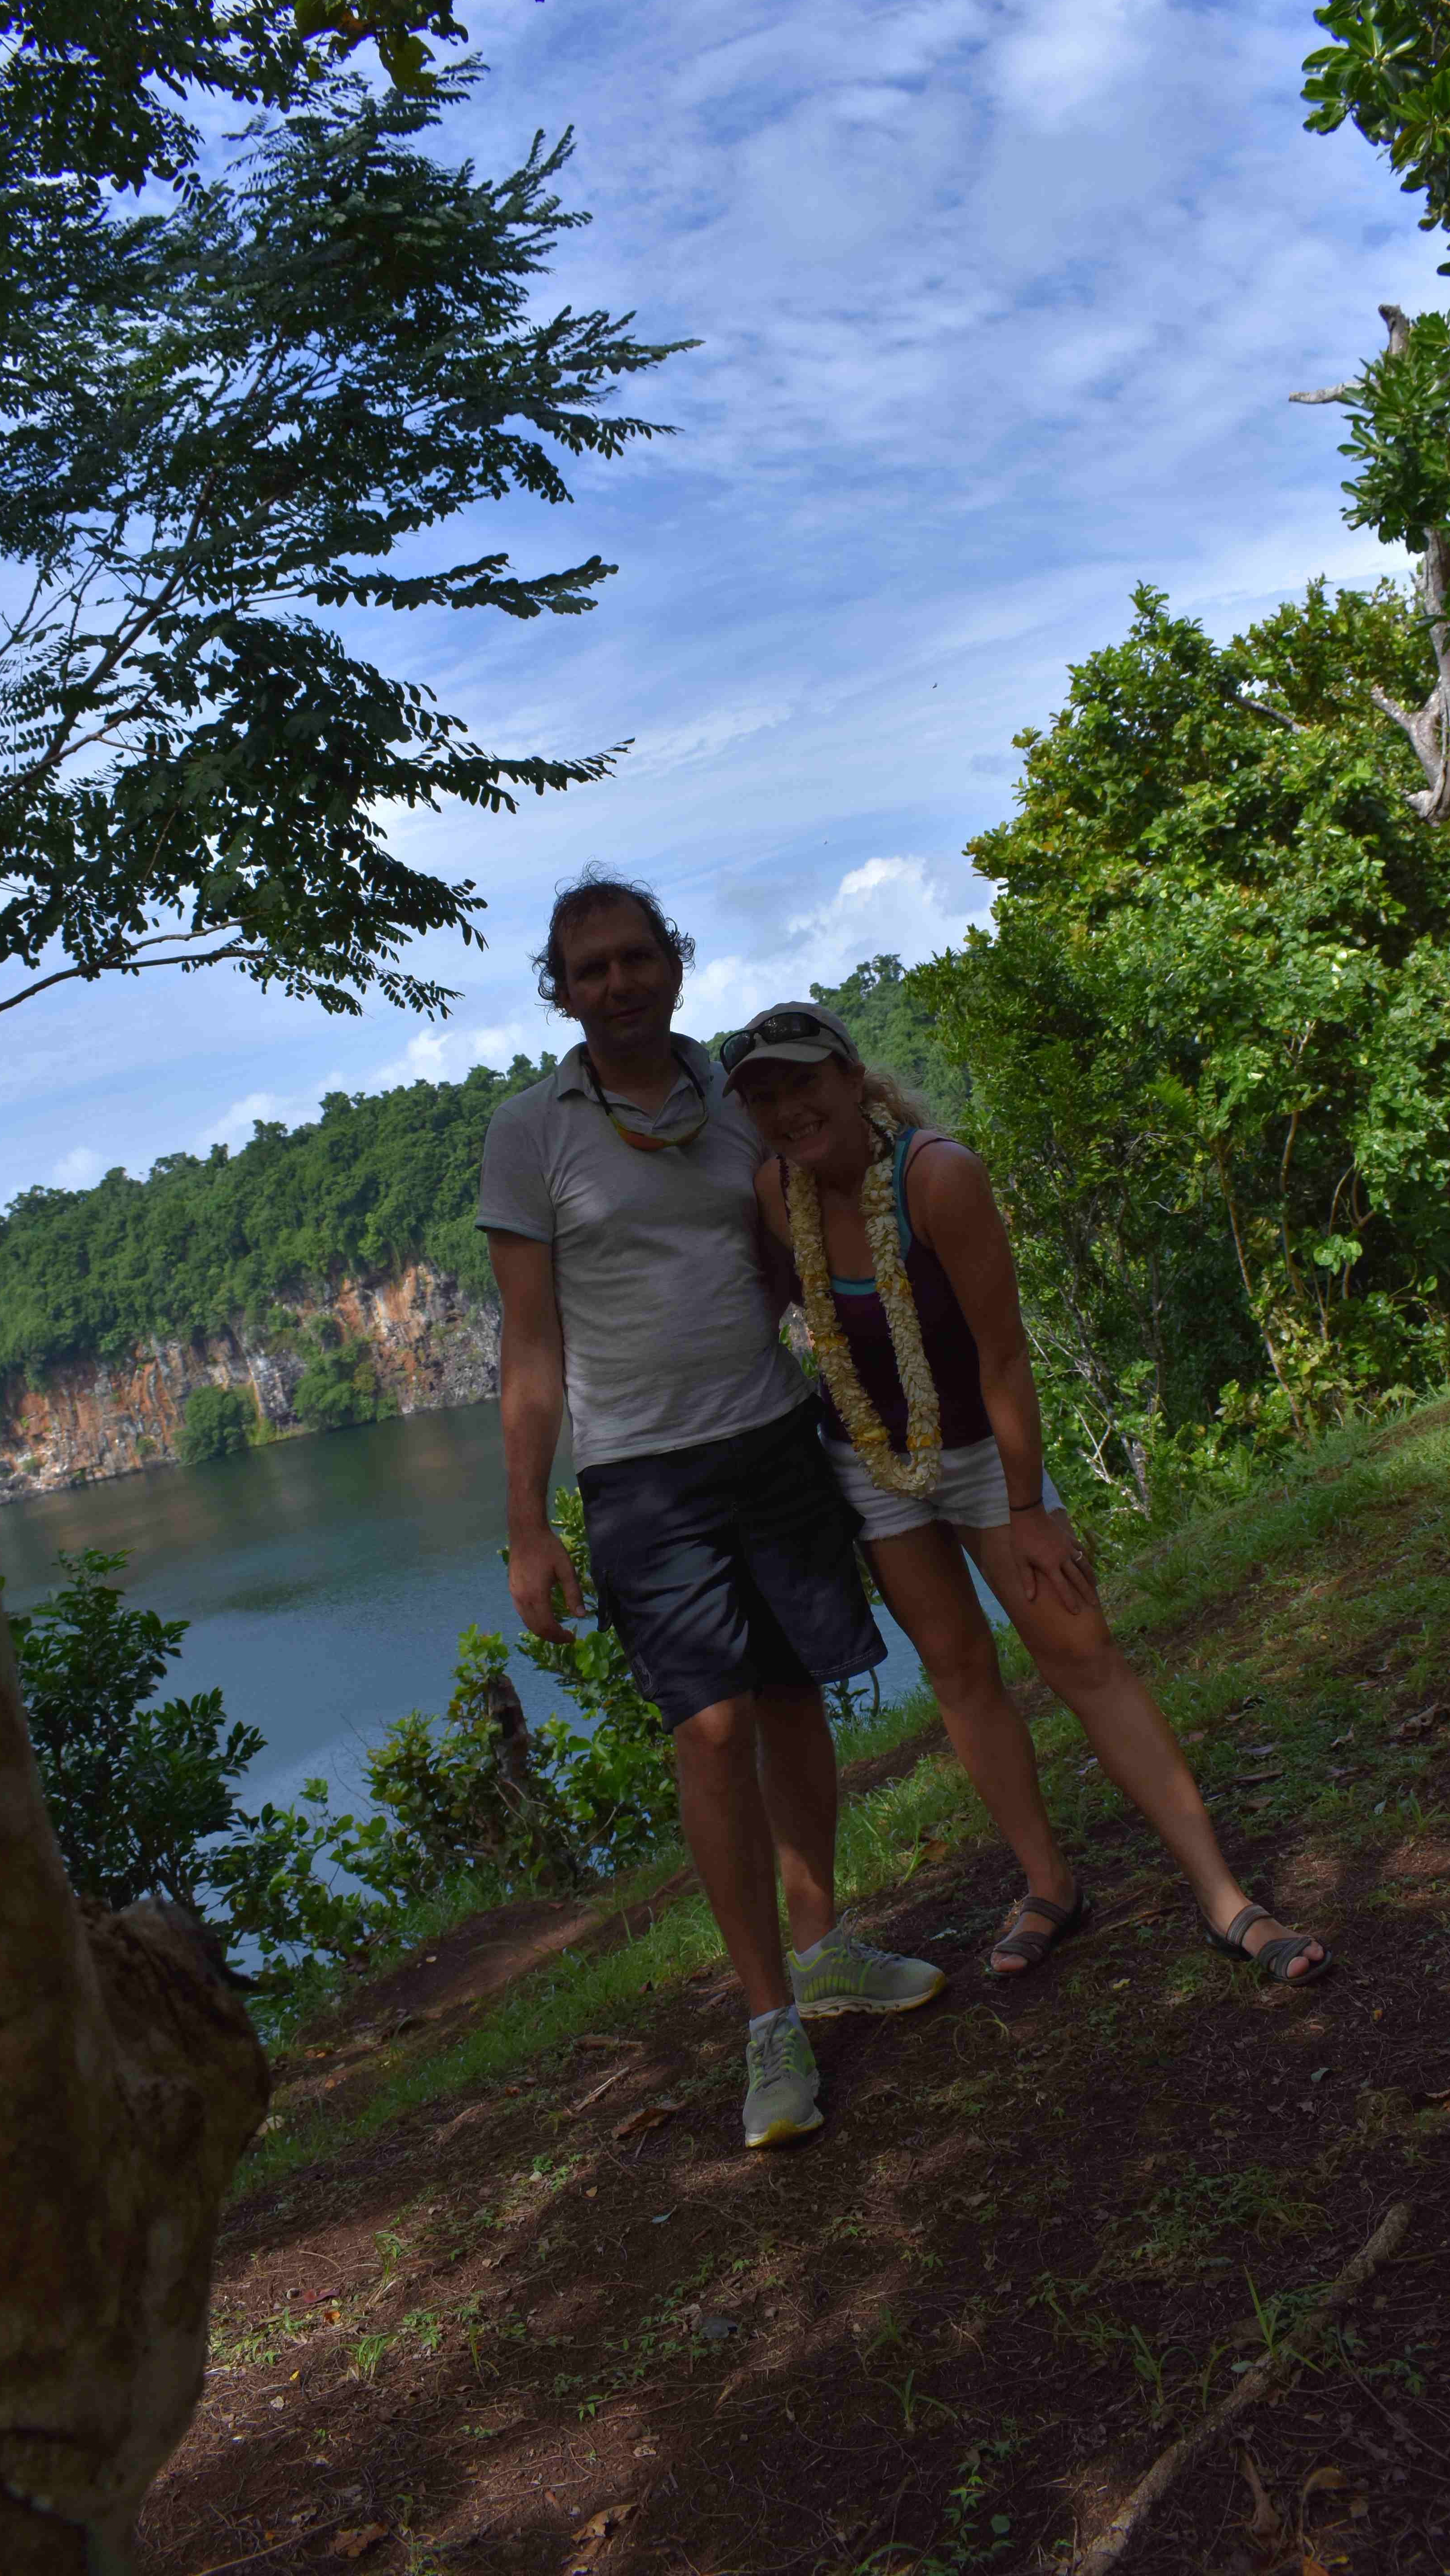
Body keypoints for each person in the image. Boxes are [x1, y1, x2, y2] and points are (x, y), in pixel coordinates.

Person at [475, 874, 946, 2153]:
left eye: (636, 958)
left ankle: (823, 1943)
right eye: (590, 969)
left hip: (772, 1436)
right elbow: (529, 1342)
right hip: (639, 1475)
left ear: (672, 965)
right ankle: (766, 2019)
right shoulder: (530, 1132)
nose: (617, 983)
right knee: (710, 1727)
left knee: (792, 1698)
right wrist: (529, 1524)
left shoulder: (737, 1101)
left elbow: (798, 1258)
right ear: (561, 993)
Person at [725, 1000, 1332, 1988]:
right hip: (871, 1467)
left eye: (804, 1081)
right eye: (763, 1096)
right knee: (958, 1672)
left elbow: (1003, 1353)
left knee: (1081, 1654)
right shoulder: (772, 1193)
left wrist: (1029, 1509)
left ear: (850, 1077)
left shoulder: (936, 1176)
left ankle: (1224, 1897)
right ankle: (1049, 1885)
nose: (788, 1108)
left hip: (981, 1454)